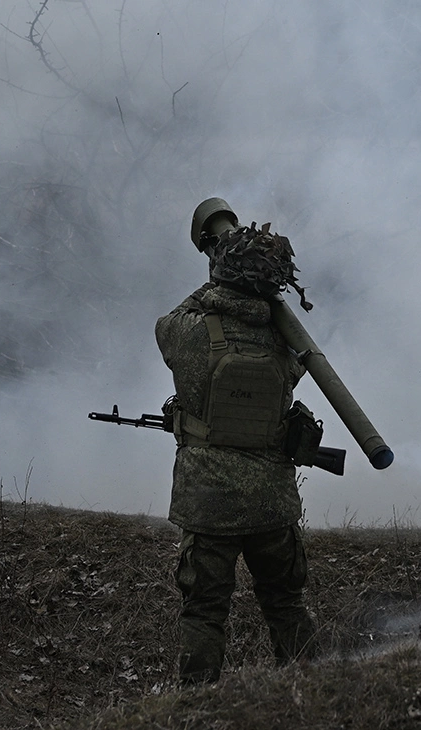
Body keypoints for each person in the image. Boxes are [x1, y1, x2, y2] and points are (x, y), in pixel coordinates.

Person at [155, 203, 315, 684]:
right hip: (273, 501)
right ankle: (312, 691)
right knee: (285, 602)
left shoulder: (190, 331)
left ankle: (198, 707)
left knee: (204, 611)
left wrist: (216, 276)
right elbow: (297, 369)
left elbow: (167, 323)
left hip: (209, 502)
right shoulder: (285, 341)